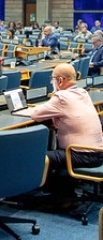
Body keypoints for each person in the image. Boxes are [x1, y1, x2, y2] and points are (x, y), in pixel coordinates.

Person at [30, 63, 103, 194]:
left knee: (37, 156)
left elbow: (36, 114)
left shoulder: (61, 97)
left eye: (53, 79)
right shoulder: (83, 92)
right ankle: (63, 193)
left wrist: (54, 97)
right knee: (57, 151)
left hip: (81, 155)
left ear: (60, 80)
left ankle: (50, 194)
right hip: (97, 152)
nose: (52, 82)